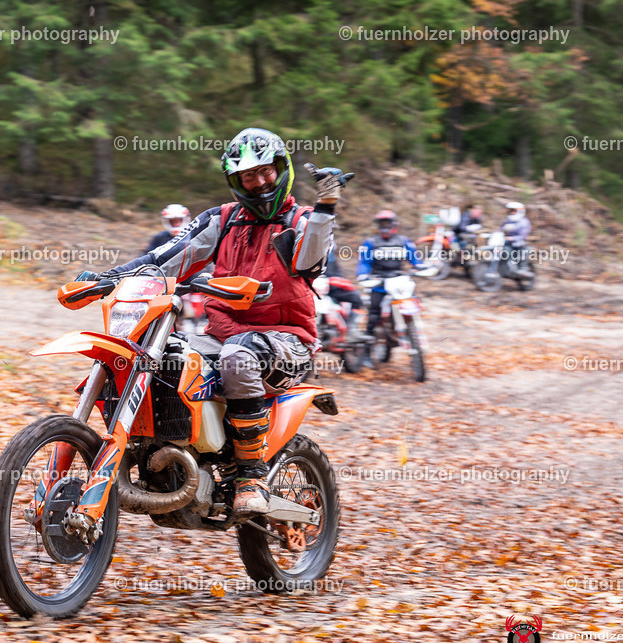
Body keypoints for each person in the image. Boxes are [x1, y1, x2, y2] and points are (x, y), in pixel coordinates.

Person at [76, 128, 351, 516]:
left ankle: (251, 476)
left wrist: (325, 207)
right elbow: (168, 255)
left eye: (265, 172)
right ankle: (161, 451)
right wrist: (110, 277)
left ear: (281, 169)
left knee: (238, 357)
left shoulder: (301, 221)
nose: (258, 183)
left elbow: (310, 261)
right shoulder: (222, 220)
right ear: (235, 181)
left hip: (288, 341)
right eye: (247, 177)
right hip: (223, 335)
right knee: (162, 358)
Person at [356, 210, 424, 368]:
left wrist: (420, 266)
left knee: (414, 300)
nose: (384, 227)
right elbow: (364, 262)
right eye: (381, 224)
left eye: (387, 223)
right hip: (379, 283)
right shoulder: (370, 243)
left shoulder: (404, 241)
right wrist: (363, 275)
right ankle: (366, 353)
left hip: (399, 280)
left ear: (394, 224)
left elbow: (414, 258)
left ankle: (412, 332)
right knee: (373, 315)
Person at [501, 201, 533, 277]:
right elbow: (500, 229)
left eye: (513, 211)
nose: (511, 213)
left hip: (518, 243)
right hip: (506, 243)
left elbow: (523, 236)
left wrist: (511, 238)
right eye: (510, 210)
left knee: (521, 253)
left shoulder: (524, 222)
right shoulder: (507, 221)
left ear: (520, 211)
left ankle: (523, 269)